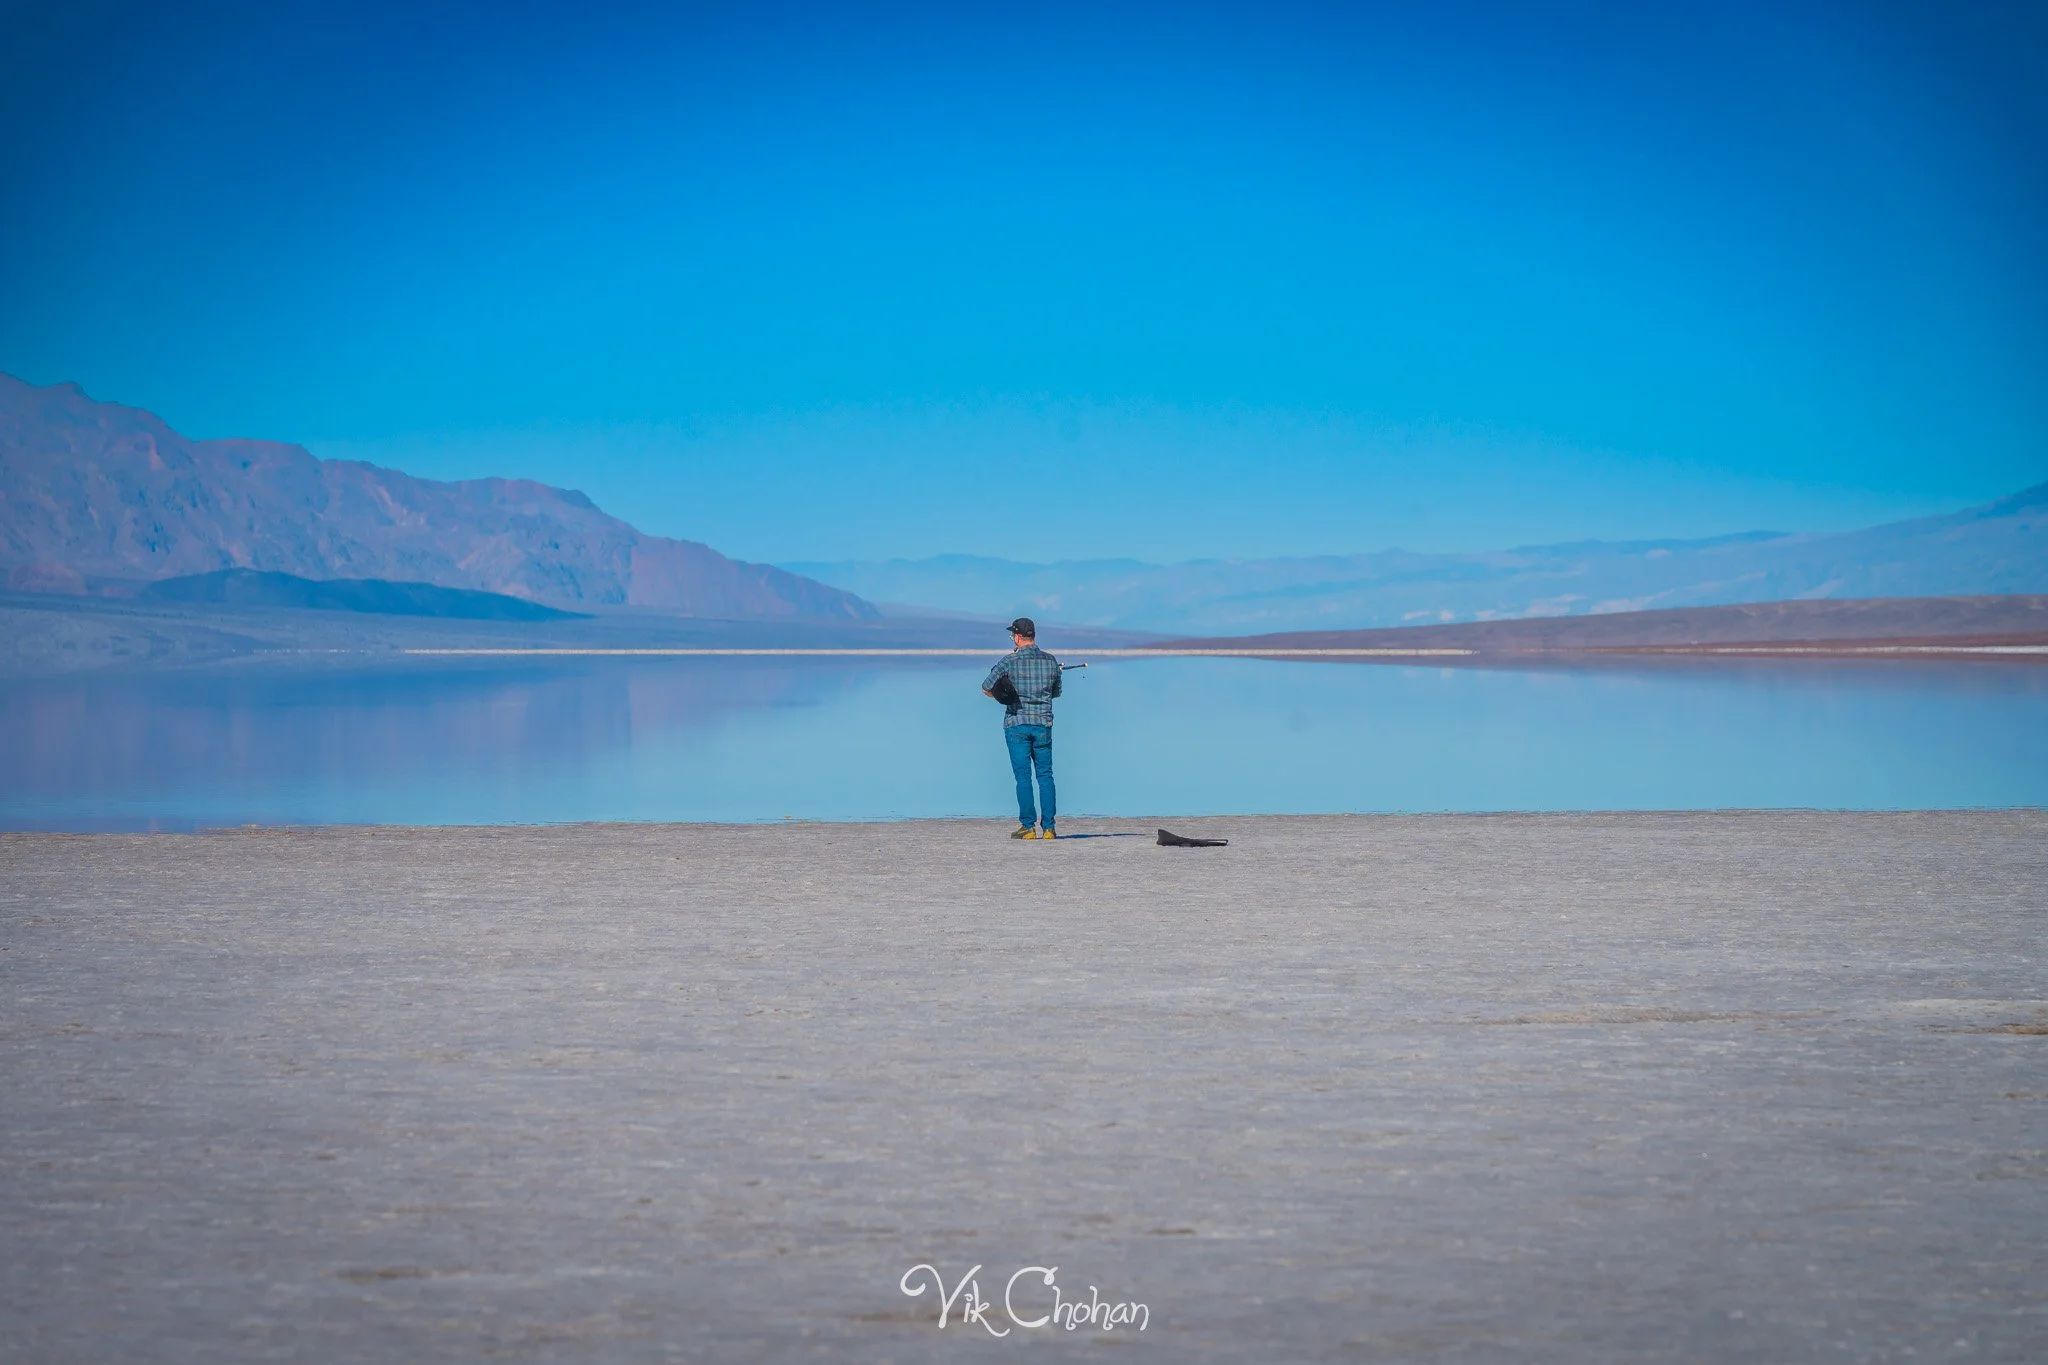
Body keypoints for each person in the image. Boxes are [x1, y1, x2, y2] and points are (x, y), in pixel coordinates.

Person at [982, 617, 1061, 839]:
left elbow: (986, 688)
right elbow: (1056, 692)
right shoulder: (1051, 661)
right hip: (1043, 724)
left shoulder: (1009, 662)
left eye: (1012, 635)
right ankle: (1049, 828)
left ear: (1017, 637)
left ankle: (1028, 827)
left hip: (1016, 724)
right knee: (1045, 775)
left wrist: (1004, 689)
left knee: (1023, 777)